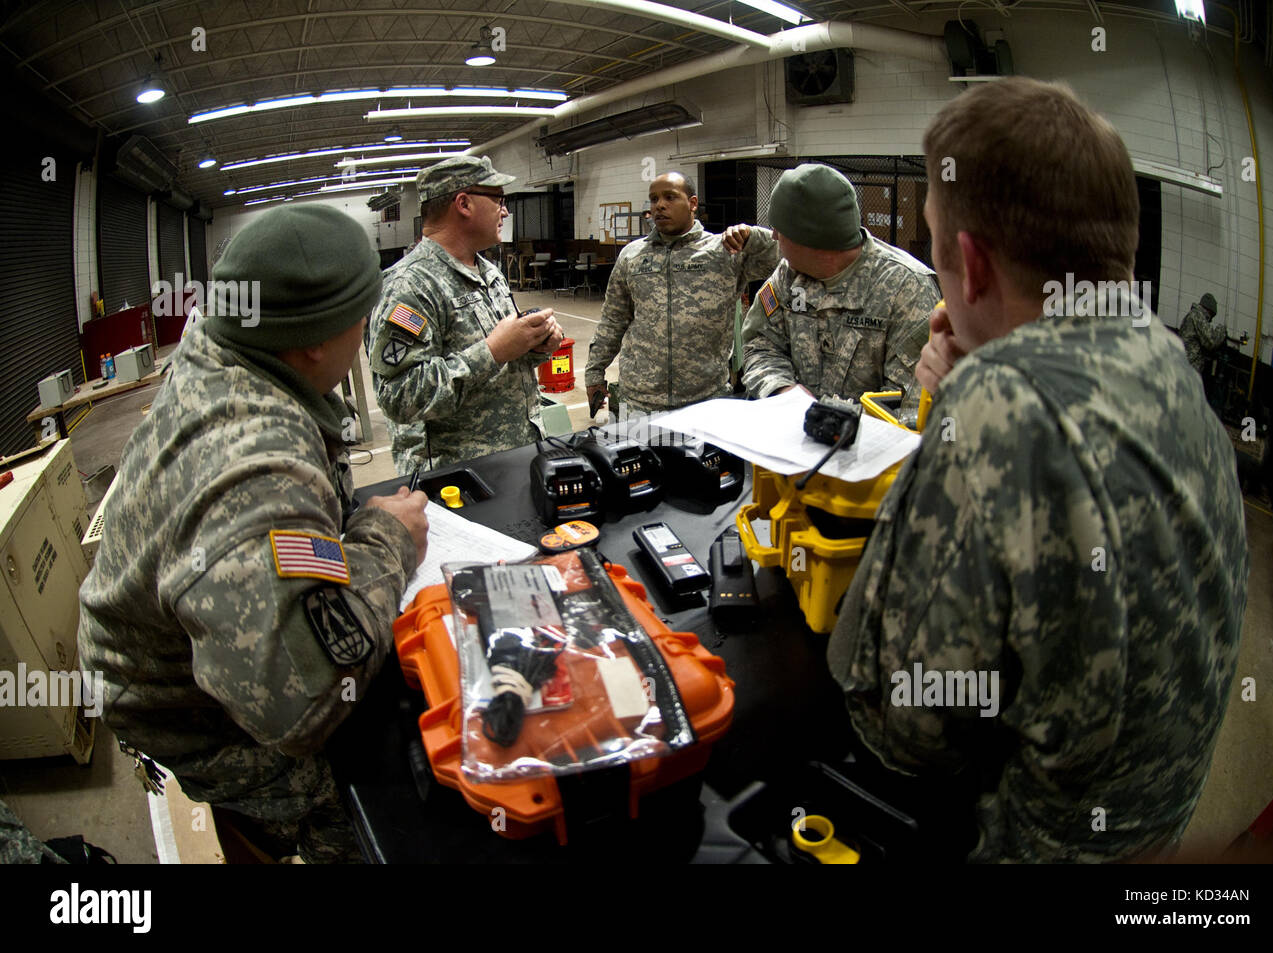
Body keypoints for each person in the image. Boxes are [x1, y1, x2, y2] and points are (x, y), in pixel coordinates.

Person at [827, 78, 1249, 862]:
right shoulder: (1168, 361)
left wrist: (963, 414)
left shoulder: (998, 403)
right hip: (1156, 823)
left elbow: (897, 717)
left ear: (972, 263)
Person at [78, 205, 430, 863]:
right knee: (380, 801)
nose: (369, 328)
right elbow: (297, 707)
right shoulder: (257, 466)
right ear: (313, 344)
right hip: (186, 710)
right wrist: (389, 542)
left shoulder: (232, 342)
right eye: (362, 315)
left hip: (180, 633)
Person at [369, 155, 562, 474]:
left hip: (517, 455)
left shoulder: (489, 272)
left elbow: (506, 359)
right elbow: (398, 396)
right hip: (459, 477)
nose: (505, 210)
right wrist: (493, 351)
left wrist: (535, 346)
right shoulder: (409, 286)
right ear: (464, 203)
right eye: (499, 199)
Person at [741, 163, 938, 428]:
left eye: (780, 229)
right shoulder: (788, 276)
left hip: (871, 457)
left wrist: (835, 427)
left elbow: (909, 406)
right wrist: (783, 391)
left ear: (812, 240)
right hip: (792, 446)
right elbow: (759, 345)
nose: (773, 236)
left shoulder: (906, 288)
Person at [585, 171, 779, 417]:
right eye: (654, 199)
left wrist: (754, 237)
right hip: (639, 401)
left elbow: (788, 259)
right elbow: (613, 320)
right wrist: (594, 372)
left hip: (705, 400)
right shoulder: (632, 256)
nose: (660, 206)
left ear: (693, 204)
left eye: (670, 197)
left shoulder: (724, 252)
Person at [1178, 292, 1227, 376]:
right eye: (1211, 316)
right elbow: (1212, 342)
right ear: (1209, 310)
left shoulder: (1193, 314)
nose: (1210, 320)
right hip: (1188, 370)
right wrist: (1221, 329)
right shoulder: (1197, 316)